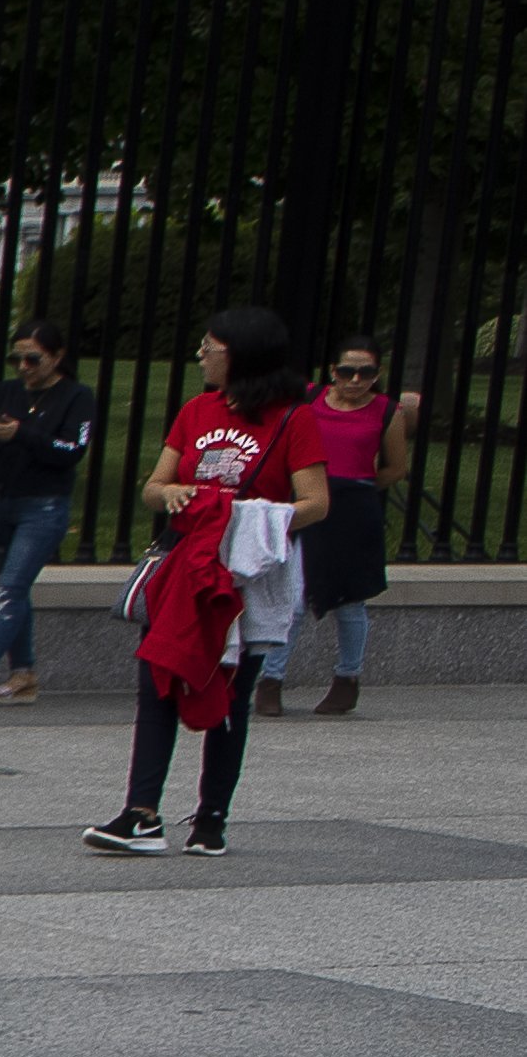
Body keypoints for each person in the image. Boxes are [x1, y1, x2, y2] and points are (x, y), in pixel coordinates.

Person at [86, 306, 329, 860]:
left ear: (239, 354)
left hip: (244, 572)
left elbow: (316, 503)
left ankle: (212, 817)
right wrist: (169, 495)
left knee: (229, 694)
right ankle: (141, 814)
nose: (200, 354)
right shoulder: (196, 410)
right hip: (185, 563)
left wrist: (246, 519)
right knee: (159, 680)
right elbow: (155, 484)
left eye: (209, 346)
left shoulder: (294, 419)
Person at [0, 322, 98, 706]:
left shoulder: (76, 397)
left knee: (11, 587)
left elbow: (70, 452)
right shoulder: (6, 392)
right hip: (1, 503)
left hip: (43, 506)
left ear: (57, 357)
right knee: (12, 591)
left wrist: (21, 434)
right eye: (18, 358)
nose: (24, 367)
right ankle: (23, 674)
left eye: (34, 359)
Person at [295, 338, 418, 713]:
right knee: (294, 593)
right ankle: (270, 679)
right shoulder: (310, 399)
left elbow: (396, 467)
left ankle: (347, 678)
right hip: (308, 500)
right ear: (333, 372)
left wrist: (360, 485)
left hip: (354, 506)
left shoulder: (386, 411)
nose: (355, 379)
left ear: (376, 375)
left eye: (365, 372)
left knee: (350, 601)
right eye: (347, 371)